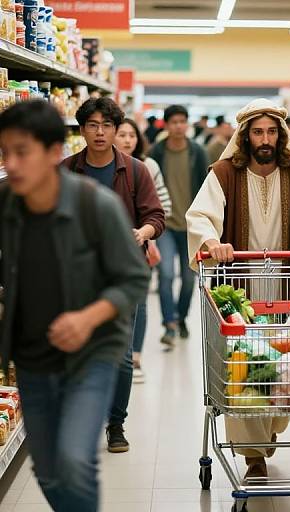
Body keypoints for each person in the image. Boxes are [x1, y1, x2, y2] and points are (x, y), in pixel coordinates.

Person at [0, 100, 150, 511]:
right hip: (32, 356)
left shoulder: (94, 205)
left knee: (73, 461)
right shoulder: (8, 204)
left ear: (53, 154)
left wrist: (88, 317)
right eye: (5, 152)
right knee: (48, 469)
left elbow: (134, 278)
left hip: (92, 353)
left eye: (22, 152)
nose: (11, 164)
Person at [186, 98, 290, 479]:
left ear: (282, 135)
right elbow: (200, 215)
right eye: (258, 132)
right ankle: (254, 455)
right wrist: (212, 242)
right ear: (245, 136)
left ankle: (267, 430)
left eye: (272, 131)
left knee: (284, 369)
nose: (265, 139)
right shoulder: (223, 173)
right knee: (245, 369)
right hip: (239, 292)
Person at [63, 97, 165, 454]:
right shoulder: (66, 171)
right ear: (82, 130)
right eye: (93, 125)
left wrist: (143, 233)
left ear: (115, 128)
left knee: (121, 355)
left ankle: (116, 424)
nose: (101, 132)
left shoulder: (135, 170)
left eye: (107, 125)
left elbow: (156, 217)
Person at [116, 118, 171, 383]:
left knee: (138, 303)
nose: (127, 140)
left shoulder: (147, 167)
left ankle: (134, 356)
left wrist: (146, 231)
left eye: (132, 135)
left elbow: (163, 207)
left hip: (142, 245)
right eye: (122, 134)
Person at [149, 105, 208, 345]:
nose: (179, 126)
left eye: (182, 121)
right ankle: (169, 324)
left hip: (191, 226)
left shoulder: (197, 152)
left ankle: (181, 317)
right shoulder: (157, 152)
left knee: (188, 278)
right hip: (164, 225)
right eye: (174, 121)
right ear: (166, 125)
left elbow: (207, 188)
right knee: (165, 274)